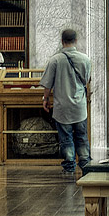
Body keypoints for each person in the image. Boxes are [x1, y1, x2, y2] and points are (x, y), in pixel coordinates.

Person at [40, 29, 91, 175]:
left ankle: (69, 165)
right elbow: (86, 80)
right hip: (79, 106)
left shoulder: (55, 60)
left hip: (62, 106)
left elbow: (47, 85)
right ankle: (85, 164)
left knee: (66, 138)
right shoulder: (85, 59)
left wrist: (45, 99)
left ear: (62, 41)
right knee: (82, 137)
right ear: (76, 41)